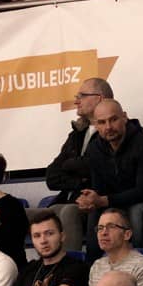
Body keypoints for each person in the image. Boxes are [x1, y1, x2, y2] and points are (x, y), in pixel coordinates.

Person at [79, 99, 143, 261]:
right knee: (95, 213)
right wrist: (91, 199)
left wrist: (105, 200)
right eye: (102, 122)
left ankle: (142, 263)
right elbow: (99, 188)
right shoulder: (94, 148)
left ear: (125, 118)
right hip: (117, 201)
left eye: (113, 119)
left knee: (136, 211)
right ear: (96, 125)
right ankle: (93, 267)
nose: (108, 127)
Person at [45, 77, 113, 254]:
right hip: (67, 200)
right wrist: (79, 180)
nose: (76, 101)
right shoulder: (76, 134)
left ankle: (70, 267)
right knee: (24, 214)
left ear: (99, 98)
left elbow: (95, 168)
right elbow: (51, 176)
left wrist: (70, 166)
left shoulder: (111, 131)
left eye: (81, 96)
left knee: (67, 212)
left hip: (92, 204)